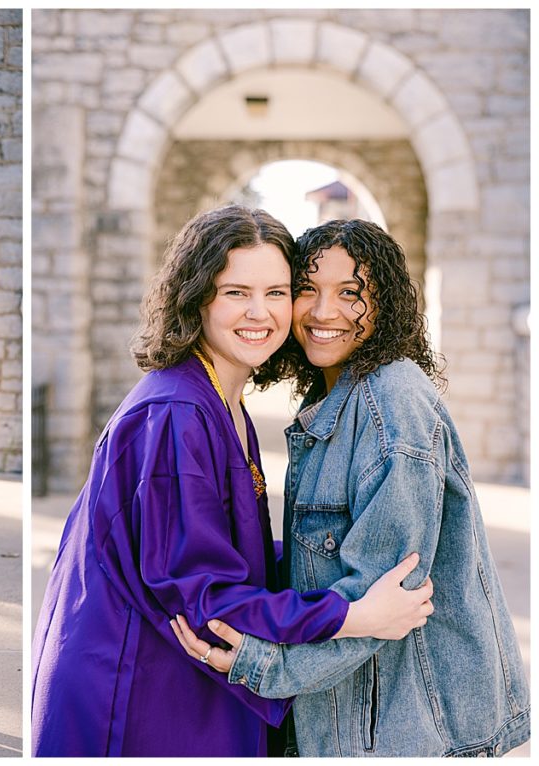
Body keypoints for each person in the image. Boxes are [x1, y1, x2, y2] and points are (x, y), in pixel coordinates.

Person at [31, 206, 433, 757]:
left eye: (276, 292)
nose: (260, 313)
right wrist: (351, 615)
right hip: (136, 685)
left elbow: (221, 545)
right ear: (198, 298)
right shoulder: (177, 413)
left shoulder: (221, 399)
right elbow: (206, 595)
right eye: (236, 292)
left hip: (173, 679)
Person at [172, 219, 529, 757]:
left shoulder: (393, 409)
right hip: (353, 716)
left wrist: (262, 664)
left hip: (407, 729)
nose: (322, 312)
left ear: (386, 306)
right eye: (307, 290)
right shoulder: (336, 399)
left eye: (351, 293)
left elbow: (385, 600)